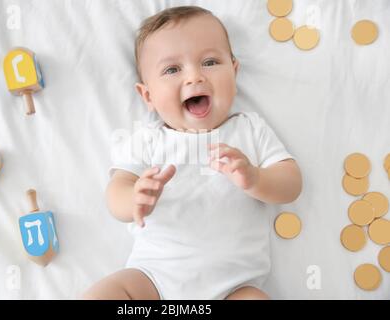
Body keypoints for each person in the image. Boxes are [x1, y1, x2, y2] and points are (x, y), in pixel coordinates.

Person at [83, 5, 302, 300]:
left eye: (210, 62)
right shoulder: (148, 140)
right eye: (172, 69)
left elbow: (291, 184)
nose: (194, 77)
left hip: (234, 287)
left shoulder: (249, 130)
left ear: (234, 72)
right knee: (104, 294)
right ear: (147, 95)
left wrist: (255, 178)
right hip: (154, 281)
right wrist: (134, 197)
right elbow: (115, 193)